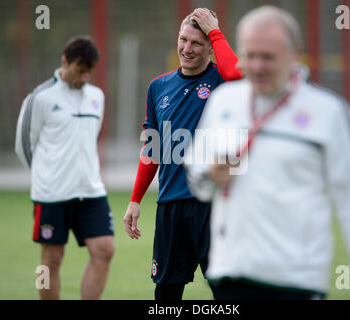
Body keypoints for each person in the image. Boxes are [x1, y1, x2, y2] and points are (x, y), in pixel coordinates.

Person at [184, 6, 350, 300]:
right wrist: (211, 174)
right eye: (250, 56)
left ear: (294, 54)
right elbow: (198, 183)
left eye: (268, 57)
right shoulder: (224, 103)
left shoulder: (327, 112)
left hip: (296, 280)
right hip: (231, 273)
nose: (258, 66)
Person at [123, 8, 242, 300]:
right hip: (170, 205)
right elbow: (152, 150)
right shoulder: (158, 87)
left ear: (211, 47)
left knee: (227, 290)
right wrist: (135, 199)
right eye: (183, 39)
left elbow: (238, 74)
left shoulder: (223, 83)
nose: (187, 49)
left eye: (197, 43)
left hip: (213, 204)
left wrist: (215, 31)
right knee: (166, 292)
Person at [15, 36, 115, 300]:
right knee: (51, 258)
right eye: (80, 71)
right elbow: (24, 145)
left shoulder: (97, 96)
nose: (85, 78)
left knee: (105, 249)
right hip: (52, 194)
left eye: (89, 72)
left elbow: (91, 138)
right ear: (64, 62)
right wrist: (44, 176)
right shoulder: (40, 98)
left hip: (91, 191)